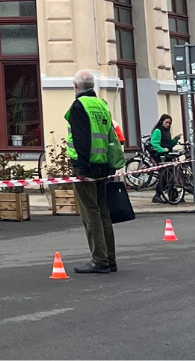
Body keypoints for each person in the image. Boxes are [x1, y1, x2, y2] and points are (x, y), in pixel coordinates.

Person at [66, 70, 124, 274]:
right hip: (104, 166)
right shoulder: (102, 105)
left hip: (86, 168)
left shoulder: (78, 106)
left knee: (91, 213)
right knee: (103, 213)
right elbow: (111, 137)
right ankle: (110, 258)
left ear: (75, 86)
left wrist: (80, 167)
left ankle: (99, 260)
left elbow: (81, 140)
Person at [149, 113, 179, 204]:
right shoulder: (158, 131)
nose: (168, 125)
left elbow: (169, 144)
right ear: (162, 122)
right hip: (160, 156)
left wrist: (175, 139)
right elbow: (154, 143)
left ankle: (167, 195)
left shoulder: (167, 132)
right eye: (166, 122)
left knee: (168, 175)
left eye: (170, 123)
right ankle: (157, 195)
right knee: (165, 175)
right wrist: (163, 150)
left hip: (167, 156)